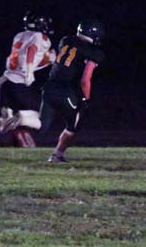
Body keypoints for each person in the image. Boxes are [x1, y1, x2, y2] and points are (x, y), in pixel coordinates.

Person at [0, 12, 56, 160]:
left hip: (7, 81)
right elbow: (32, 52)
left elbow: (20, 59)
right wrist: (30, 72)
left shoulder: (19, 36)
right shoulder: (40, 37)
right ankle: (20, 117)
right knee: (42, 119)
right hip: (21, 83)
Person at [39, 19, 105, 163]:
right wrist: (86, 99)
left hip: (48, 86)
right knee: (74, 123)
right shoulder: (94, 51)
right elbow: (85, 80)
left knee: (40, 125)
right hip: (64, 90)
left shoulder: (66, 40)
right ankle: (56, 155)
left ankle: (20, 118)